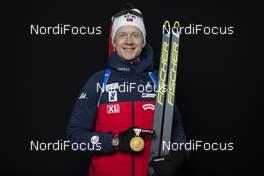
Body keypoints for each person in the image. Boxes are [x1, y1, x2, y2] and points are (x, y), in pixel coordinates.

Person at [66, 3, 187, 176]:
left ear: (143, 41)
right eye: (122, 35)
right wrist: (115, 142)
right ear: (114, 42)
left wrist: (178, 155)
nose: (129, 41)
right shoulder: (98, 82)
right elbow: (75, 137)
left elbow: (176, 128)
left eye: (135, 35)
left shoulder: (158, 81)